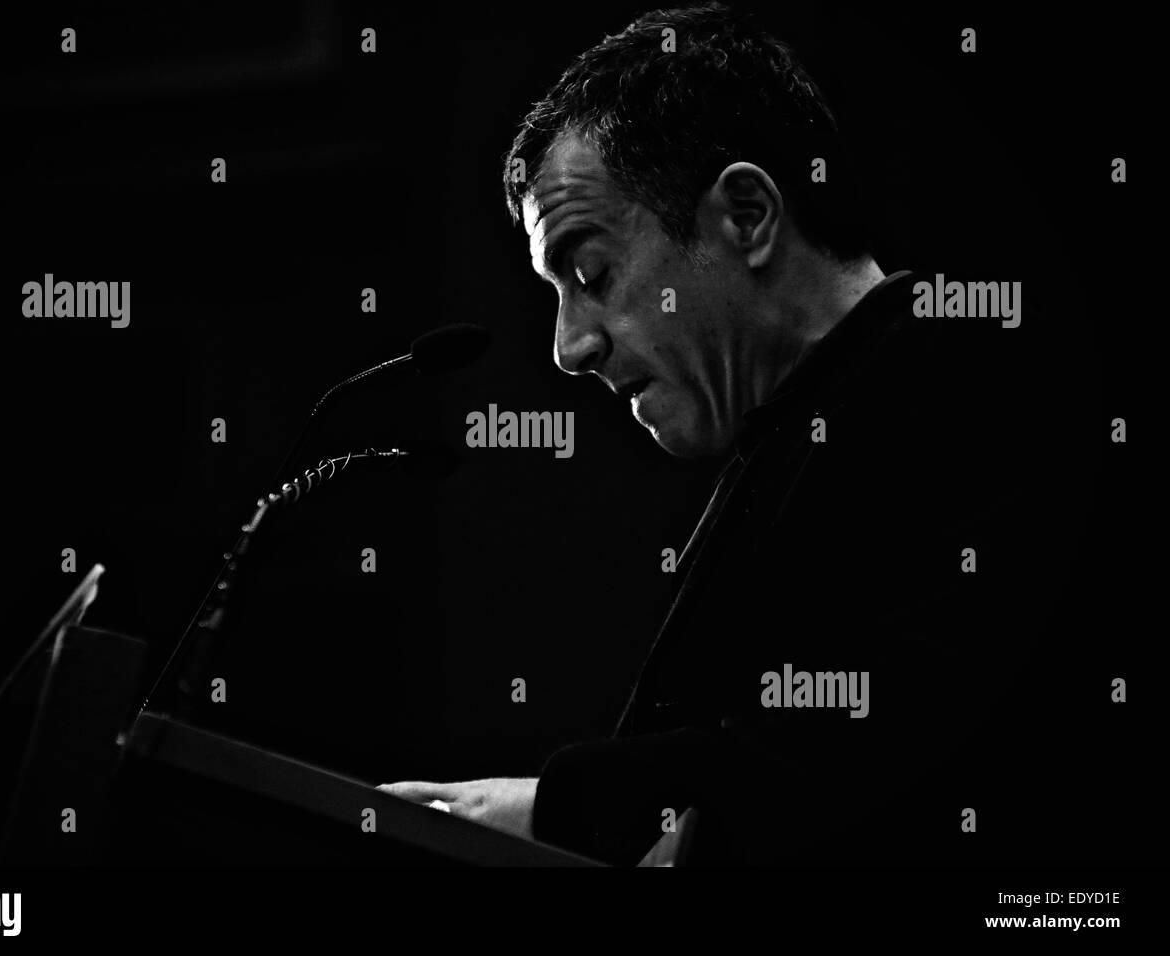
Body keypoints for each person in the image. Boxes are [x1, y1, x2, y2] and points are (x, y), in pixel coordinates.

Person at [380, 3, 1066, 866]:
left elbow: (915, 727)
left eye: (591, 273)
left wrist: (571, 810)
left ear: (746, 215)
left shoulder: (974, 363)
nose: (568, 347)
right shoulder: (803, 422)